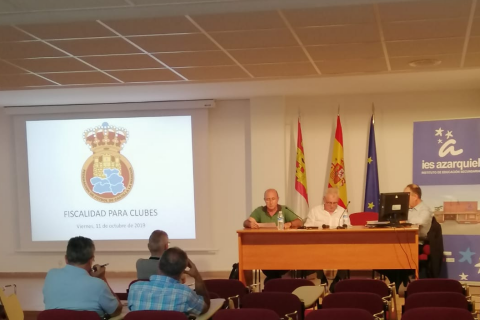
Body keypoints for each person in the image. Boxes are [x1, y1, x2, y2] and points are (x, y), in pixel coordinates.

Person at [43, 236, 122, 317]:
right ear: (91, 260)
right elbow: (116, 311)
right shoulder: (98, 284)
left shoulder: (51, 275)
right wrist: (102, 278)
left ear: (66, 258)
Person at [243, 188, 303, 283]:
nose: (270, 202)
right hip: (264, 250)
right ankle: (264, 285)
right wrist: (250, 224)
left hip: (283, 250)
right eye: (268, 199)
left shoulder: (284, 209)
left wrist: (290, 224)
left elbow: (299, 222)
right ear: (264, 200)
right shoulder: (260, 211)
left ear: (278, 199)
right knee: (247, 258)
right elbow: (246, 222)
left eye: (273, 199)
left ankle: (273, 283)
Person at [128, 247, 210, 315]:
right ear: (183, 271)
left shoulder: (135, 288)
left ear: (158, 264)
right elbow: (204, 307)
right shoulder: (185, 294)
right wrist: (197, 277)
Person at [304, 188, 349, 292]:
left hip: (338, 245)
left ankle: (338, 280)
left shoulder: (342, 211)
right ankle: (322, 279)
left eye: (334, 203)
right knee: (316, 251)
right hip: (319, 244)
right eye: (329, 203)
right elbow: (306, 228)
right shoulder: (315, 211)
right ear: (324, 200)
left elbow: (348, 228)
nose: (332, 206)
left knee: (346, 252)